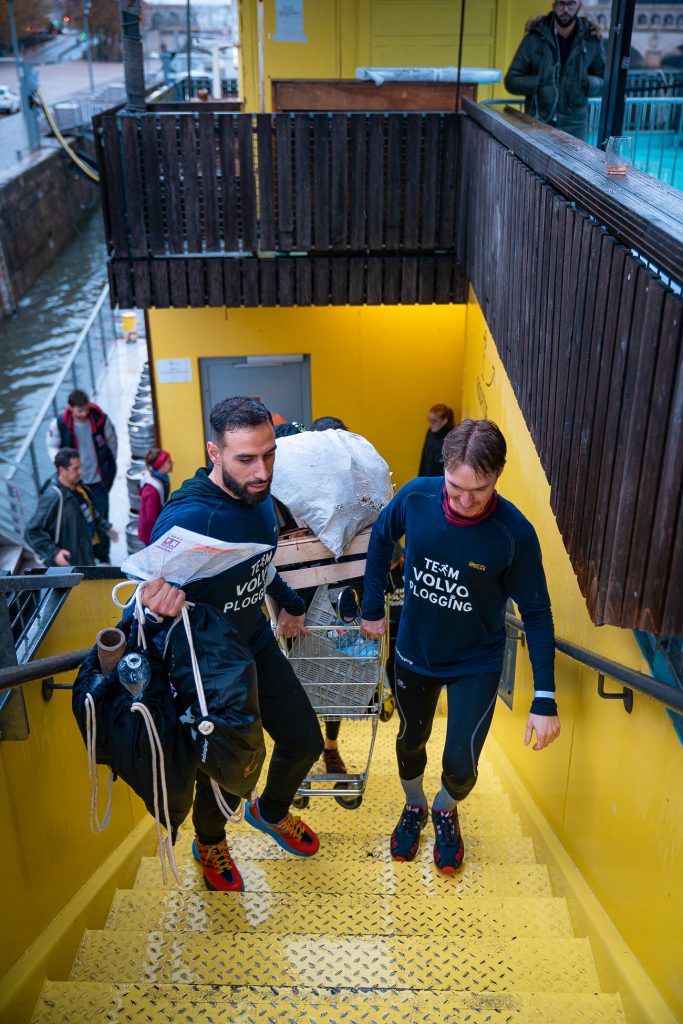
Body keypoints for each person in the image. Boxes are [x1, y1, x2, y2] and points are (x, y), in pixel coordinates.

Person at [361, 419, 560, 873]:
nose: (465, 500)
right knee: (411, 741)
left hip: (477, 660)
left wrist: (544, 697)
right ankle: (413, 807)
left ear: (499, 474)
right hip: (415, 651)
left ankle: (445, 809)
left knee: (461, 764)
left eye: (480, 489)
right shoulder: (416, 496)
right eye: (455, 487)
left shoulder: (514, 534)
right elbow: (381, 536)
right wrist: (373, 605)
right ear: (444, 468)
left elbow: (538, 614)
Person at [142, 397, 324, 893]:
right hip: (210, 662)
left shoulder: (259, 493)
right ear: (214, 452)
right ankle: (209, 841)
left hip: (257, 641)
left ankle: (270, 810)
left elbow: (260, 563)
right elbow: (148, 587)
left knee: (305, 741)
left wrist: (288, 599)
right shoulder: (189, 516)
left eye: (268, 454)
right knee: (224, 766)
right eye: (246, 458)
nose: (261, 470)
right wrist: (155, 600)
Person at [504, 1, 605, 141]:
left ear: (579, 6)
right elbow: (511, 80)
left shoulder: (591, 39)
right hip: (538, 122)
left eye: (571, 4)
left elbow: (604, 82)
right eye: (561, 4)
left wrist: (586, 83)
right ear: (553, 5)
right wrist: (539, 82)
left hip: (575, 126)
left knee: (572, 164)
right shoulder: (535, 38)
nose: (565, 9)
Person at [46, 389, 118, 562]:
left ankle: (103, 555)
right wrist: (63, 464)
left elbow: (112, 443)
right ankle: (89, 556)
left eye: (86, 409)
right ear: (70, 408)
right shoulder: (59, 425)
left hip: (98, 481)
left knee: (101, 516)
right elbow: (52, 446)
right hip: (75, 484)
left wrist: (108, 469)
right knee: (81, 521)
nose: (84, 413)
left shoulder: (100, 420)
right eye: (80, 411)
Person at [25, 448, 118, 567]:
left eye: (80, 466)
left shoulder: (79, 488)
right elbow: (31, 532)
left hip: (85, 555)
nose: (81, 471)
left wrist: (106, 527)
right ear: (62, 470)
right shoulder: (53, 497)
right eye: (75, 468)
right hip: (69, 566)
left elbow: (88, 512)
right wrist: (55, 553)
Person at [137, 448, 173, 546]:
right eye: (169, 462)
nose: (172, 463)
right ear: (161, 466)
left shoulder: (160, 477)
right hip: (151, 532)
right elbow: (151, 517)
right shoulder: (152, 491)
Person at [418, 403, 453, 477]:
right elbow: (424, 459)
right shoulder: (430, 432)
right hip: (427, 478)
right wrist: (420, 478)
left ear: (445, 420)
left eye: (434, 421)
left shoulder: (452, 437)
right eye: (429, 420)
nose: (430, 424)